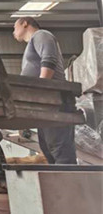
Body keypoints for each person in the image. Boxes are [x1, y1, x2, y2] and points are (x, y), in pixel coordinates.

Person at [13, 16, 77, 164]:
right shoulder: (32, 44)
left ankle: (67, 178)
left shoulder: (41, 35)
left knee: (60, 149)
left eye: (15, 27)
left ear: (25, 23)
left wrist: (42, 90)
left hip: (54, 99)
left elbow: (49, 60)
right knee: (48, 149)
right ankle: (59, 178)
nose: (13, 32)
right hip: (45, 102)